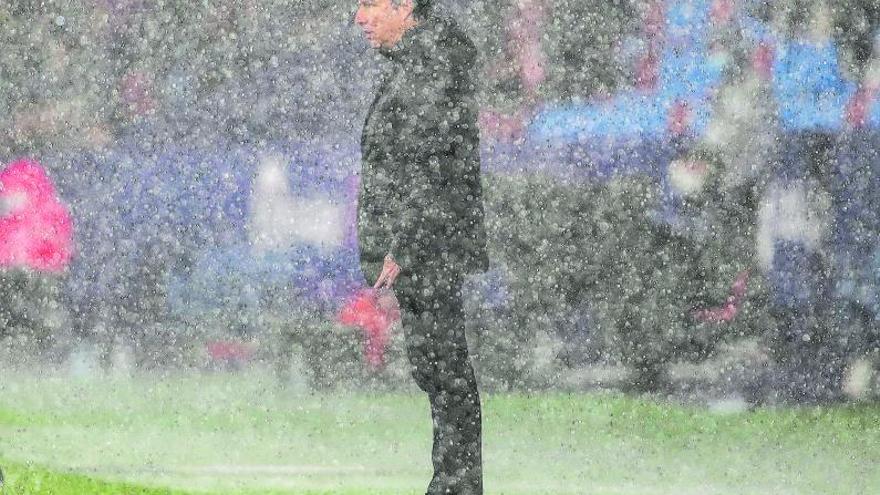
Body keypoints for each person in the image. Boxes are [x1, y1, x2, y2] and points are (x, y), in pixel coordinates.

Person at [354, 0, 489, 493]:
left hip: (430, 245)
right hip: (427, 241)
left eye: (370, 3)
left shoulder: (431, 65)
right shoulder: (422, 62)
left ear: (406, 5)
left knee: (442, 366)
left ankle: (457, 484)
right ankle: (453, 481)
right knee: (435, 366)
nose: (359, 17)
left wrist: (404, 245)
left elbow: (433, 167)